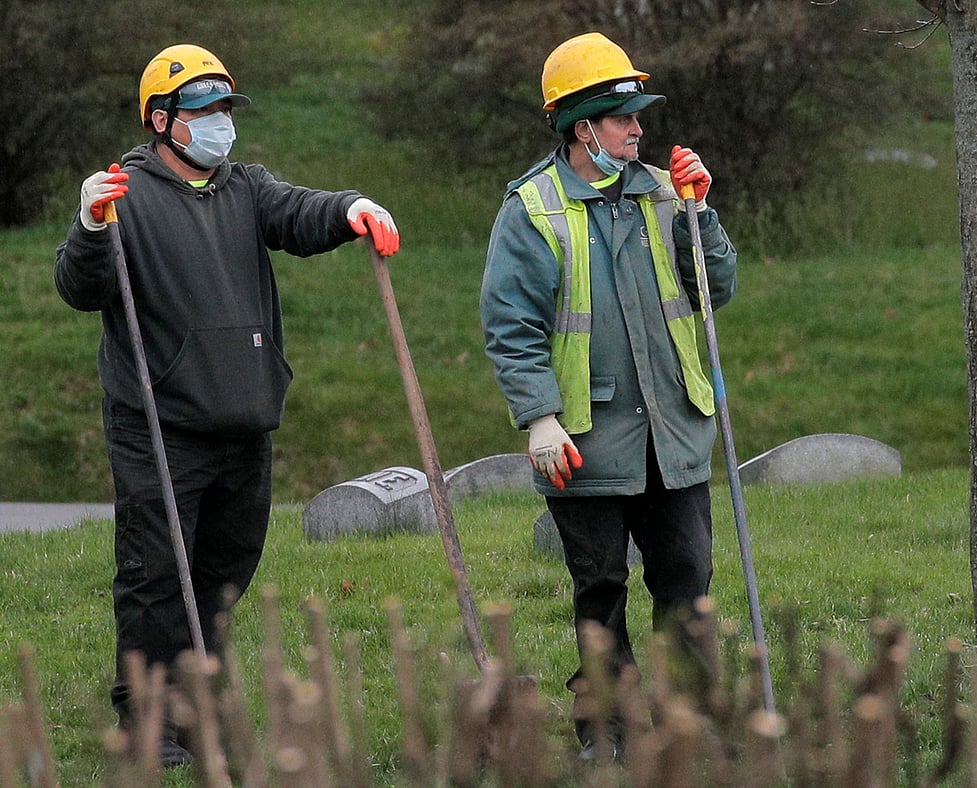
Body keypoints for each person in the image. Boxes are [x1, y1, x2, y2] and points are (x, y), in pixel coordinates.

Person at [54, 43, 400, 768]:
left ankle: (199, 702)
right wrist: (90, 224)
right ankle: (148, 722)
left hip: (244, 421)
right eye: (204, 110)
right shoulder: (125, 194)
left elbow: (299, 213)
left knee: (223, 570)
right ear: (161, 119)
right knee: (156, 576)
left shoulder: (245, 187)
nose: (221, 123)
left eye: (225, 109)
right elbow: (78, 288)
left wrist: (351, 209)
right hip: (160, 426)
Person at [479, 32, 737, 761]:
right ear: (582, 126)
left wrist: (702, 213)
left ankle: (691, 718)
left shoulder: (664, 191)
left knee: (688, 580)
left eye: (637, 117)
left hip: (673, 430)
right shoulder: (531, 209)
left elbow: (715, 290)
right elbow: (512, 326)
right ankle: (605, 730)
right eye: (625, 118)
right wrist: (538, 420)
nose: (639, 129)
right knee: (600, 590)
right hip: (584, 442)